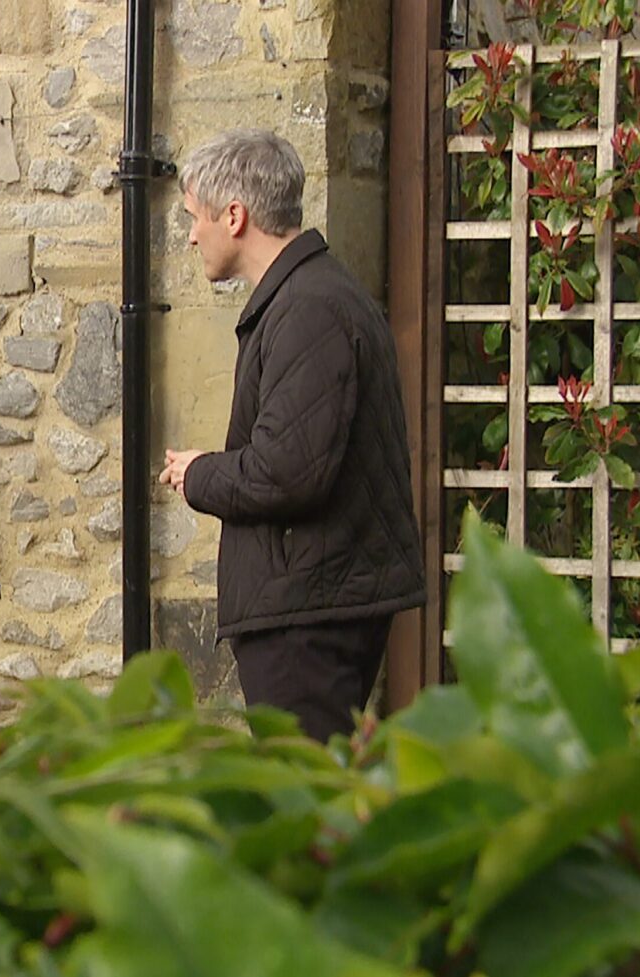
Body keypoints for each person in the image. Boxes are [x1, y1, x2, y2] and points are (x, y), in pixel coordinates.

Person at [158, 129, 425, 742]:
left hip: (310, 612)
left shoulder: (310, 307)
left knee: (305, 789)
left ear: (235, 216)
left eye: (195, 217)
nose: (192, 235)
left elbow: (289, 472)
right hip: (313, 599)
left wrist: (199, 474)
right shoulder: (308, 296)